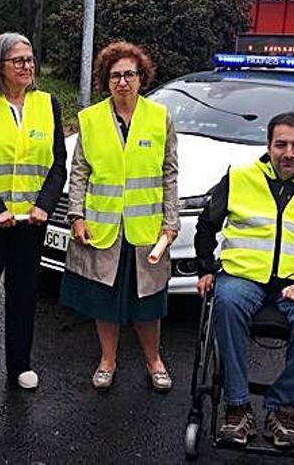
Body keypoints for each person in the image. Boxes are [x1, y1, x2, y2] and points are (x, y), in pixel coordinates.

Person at [193, 112, 294, 450]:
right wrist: (206, 268)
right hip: (243, 278)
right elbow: (206, 226)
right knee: (227, 300)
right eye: (281, 145)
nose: (288, 153)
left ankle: (284, 409)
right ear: (268, 146)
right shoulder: (239, 178)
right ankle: (237, 407)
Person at [59, 42, 179, 392]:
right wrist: (76, 215)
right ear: (105, 81)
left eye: (129, 74)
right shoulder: (90, 119)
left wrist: (171, 221)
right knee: (105, 301)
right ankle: (107, 360)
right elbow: (79, 172)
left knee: (149, 302)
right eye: (115, 75)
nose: (122, 81)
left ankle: (154, 360)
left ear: (142, 78)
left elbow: (169, 172)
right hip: (104, 226)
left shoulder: (160, 118)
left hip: (146, 230)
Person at [0, 32, 66, 392]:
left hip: (31, 222)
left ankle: (21, 364)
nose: (27, 66)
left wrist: (44, 206)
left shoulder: (48, 104)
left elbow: (58, 165)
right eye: (18, 60)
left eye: (31, 59)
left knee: (23, 295)